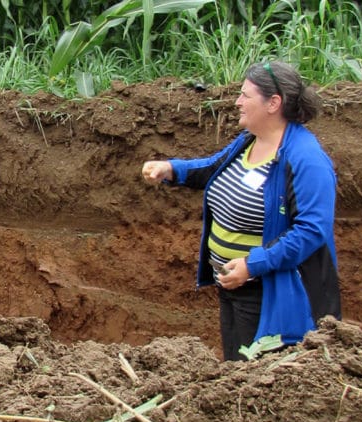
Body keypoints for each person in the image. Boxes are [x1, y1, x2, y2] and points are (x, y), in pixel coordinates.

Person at [141, 61, 340, 360]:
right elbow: (213, 167)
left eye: (245, 95)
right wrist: (171, 169)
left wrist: (253, 265)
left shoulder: (307, 160)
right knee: (235, 370)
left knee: (256, 379)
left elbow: (311, 232)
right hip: (233, 285)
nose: (237, 101)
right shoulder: (249, 142)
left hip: (271, 295)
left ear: (273, 103)